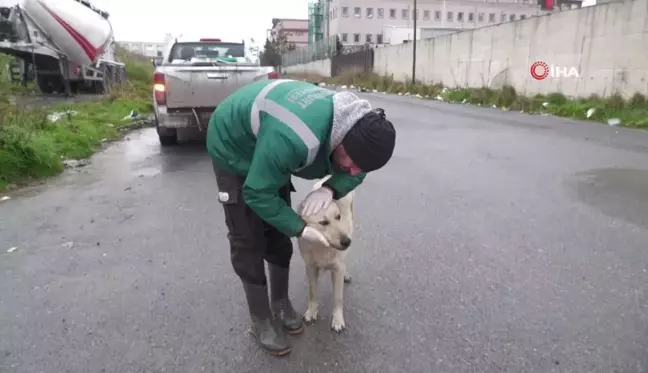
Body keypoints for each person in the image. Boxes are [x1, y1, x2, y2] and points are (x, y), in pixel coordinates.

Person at [206, 78, 396, 356]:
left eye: (360, 168)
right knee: (247, 236)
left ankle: (280, 301)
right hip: (234, 144)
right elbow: (257, 192)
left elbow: (359, 168)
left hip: (271, 141)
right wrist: (298, 227)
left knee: (276, 230)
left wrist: (332, 187)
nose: (354, 172)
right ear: (340, 140)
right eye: (351, 165)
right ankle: (260, 319)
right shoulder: (296, 139)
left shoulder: (355, 131)